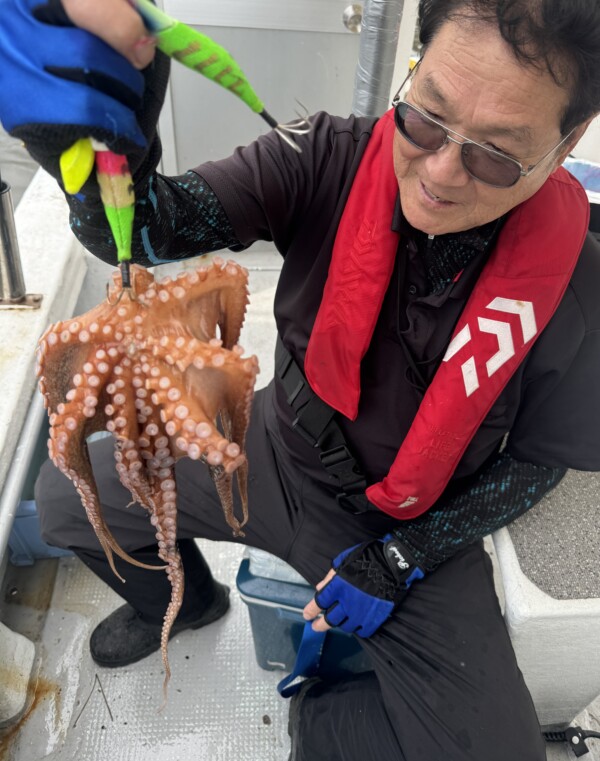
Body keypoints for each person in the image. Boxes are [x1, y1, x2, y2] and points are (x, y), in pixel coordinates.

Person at [1, 0, 600, 758]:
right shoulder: (325, 154)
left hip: (407, 524)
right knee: (64, 498)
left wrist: (401, 559)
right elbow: (154, 228)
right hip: (273, 446)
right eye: (427, 118)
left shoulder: (580, 292)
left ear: (568, 140)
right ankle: (182, 601)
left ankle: (325, 716)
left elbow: (540, 463)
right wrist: (95, 160)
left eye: (496, 155)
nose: (442, 173)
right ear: (412, 74)